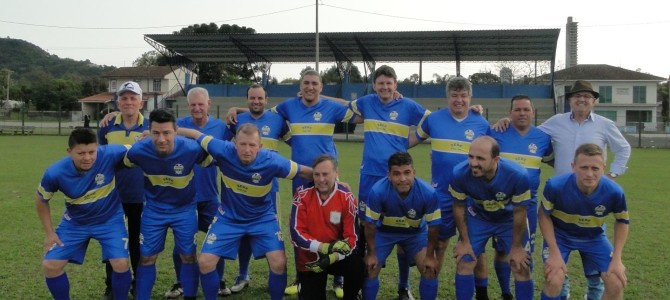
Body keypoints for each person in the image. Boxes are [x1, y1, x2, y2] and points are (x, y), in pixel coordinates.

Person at [493, 80, 631, 300]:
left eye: (587, 96)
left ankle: (593, 292)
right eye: (577, 96)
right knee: (557, 268)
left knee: (596, 261)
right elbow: (529, 130)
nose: (582, 99)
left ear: (594, 101)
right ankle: (562, 292)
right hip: (561, 198)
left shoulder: (604, 124)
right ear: (570, 100)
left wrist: (610, 175)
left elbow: (623, 148)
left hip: (592, 198)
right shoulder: (555, 122)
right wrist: (507, 121)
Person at [229, 70, 356, 296]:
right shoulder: (289, 106)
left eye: (315, 84)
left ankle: (339, 279)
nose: (310, 87)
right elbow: (261, 113)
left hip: (327, 176)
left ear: (321, 87)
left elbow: (358, 111)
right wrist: (237, 110)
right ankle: (301, 277)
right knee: (300, 227)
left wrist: (324, 98)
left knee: (334, 225)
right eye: (306, 83)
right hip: (299, 176)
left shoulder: (331, 107)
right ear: (300, 85)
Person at [177, 123, 313, 300]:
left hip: (262, 218)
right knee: (205, 262)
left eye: (252, 145)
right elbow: (195, 133)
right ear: (235, 143)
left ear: (260, 146)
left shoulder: (272, 161)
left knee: (279, 262)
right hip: (228, 218)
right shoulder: (223, 150)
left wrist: (336, 182)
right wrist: (168, 131)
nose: (247, 149)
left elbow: (305, 172)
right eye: (242, 144)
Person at [344, 65, 430, 300]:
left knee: (404, 225)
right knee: (366, 226)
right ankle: (363, 282)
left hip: (397, 176)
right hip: (370, 176)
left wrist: (408, 143)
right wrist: (318, 94)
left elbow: (432, 122)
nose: (384, 87)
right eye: (380, 83)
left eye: (388, 83)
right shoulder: (367, 102)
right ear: (374, 85)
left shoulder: (408, 105)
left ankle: (403, 286)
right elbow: (342, 108)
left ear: (396, 85)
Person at [409, 76, 491, 288]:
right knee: (439, 243)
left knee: (477, 247)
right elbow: (412, 140)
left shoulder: (481, 123)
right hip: (442, 195)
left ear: (470, 97)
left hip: (473, 196)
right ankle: (432, 286)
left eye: (463, 96)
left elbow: (493, 155)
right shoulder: (434, 119)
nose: (459, 100)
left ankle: (481, 293)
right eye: (454, 95)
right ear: (448, 97)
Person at [124, 108, 212, 300]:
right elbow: (117, 160)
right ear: (149, 131)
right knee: (146, 257)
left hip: (185, 210)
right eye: (156, 133)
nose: (161, 139)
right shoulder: (139, 151)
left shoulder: (191, 149)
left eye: (167, 133)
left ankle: (190, 296)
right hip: (154, 210)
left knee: (188, 256)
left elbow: (219, 159)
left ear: (176, 131)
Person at [36, 128, 132, 300]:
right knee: (50, 265)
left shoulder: (109, 153)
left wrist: (148, 137)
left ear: (97, 147)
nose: (87, 158)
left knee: (121, 263)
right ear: (69, 151)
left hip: (110, 220)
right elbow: (41, 200)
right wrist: (50, 233)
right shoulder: (55, 172)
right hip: (75, 223)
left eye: (91, 152)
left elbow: (136, 147)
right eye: (81, 153)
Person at [475, 95, 554, 300]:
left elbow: (555, 162)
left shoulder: (543, 138)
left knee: (525, 255)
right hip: (500, 204)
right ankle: (506, 292)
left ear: (533, 112)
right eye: (517, 110)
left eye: (526, 110)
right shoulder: (496, 133)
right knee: (502, 252)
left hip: (527, 206)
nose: (522, 113)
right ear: (510, 113)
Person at [224, 84, 292, 294]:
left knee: (273, 233)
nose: (256, 102)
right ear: (247, 100)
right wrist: (234, 110)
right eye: (252, 98)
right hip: (241, 189)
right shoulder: (236, 121)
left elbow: (296, 143)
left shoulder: (277, 120)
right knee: (244, 232)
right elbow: (224, 149)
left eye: (260, 98)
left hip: (270, 188)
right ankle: (243, 274)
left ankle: (276, 274)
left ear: (266, 99)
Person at [539, 143, 629, 300]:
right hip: (561, 236)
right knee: (554, 278)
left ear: (603, 167)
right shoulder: (555, 186)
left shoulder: (614, 192)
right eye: (584, 167)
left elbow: (622, 221)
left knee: (616, 281)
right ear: (573, 166)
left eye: (595, 168)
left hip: (594, 238)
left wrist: (617, 258)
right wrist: (554, 252)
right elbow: (543, 215)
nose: (589, 174)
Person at [165, 87, 230, 298]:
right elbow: (159, 130)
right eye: (192, 104)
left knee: (216, 240)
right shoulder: (179, 125)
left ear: (209, 104)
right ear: (188, 106)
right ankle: (181, 282)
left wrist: (237, 109)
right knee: (181, 246)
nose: (196, 108)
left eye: (200, 104)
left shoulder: (221, 127)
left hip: (210, 196)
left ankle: (219, 281)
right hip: (182, 197)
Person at [450, 136, 534, 300]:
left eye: (480, 158)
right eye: (471, 156)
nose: (473, 163)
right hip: (478, 217)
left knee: (521, 265)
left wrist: (517, 247)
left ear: (496, 159)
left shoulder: (518, 175)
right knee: (465, 260)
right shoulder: (459, 173)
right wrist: (465, 241)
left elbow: (520, 212)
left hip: (508, 220)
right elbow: (458, 207)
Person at [363, 152, 441, 300]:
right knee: (370, 268)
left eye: (407, 173)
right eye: (397, 174)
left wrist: (430, 256)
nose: (403, 179)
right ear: (389, 175)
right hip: (384, 233)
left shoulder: (429, 193)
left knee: (430, 269)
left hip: (414, 234)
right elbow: (370, 224)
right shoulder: (377, 191)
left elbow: (434, 226)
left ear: (414, 173)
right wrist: (371, 254)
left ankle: (405, 287)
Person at [97, 81, 149, 300]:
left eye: (132, 98)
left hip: (141, 196)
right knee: (112, 242)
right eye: (124, 98)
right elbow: (99, 157)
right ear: (118, 101)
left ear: (141, 102)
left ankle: (138, 285)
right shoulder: (107, 125)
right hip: (111, 197)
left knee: (138, 243)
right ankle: (111, 285)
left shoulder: (150, 126)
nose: (128, 102)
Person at [289, 154, 364, 300]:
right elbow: (296, 232)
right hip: (311, 258)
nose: (321, 179)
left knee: (357, 265)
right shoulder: (302, 194)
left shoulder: (346, 197)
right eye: (317, 174)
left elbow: (352, 239)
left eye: (325, 174)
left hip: (337, 256)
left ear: (336, 173)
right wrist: (322, 247)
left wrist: (331, 256)